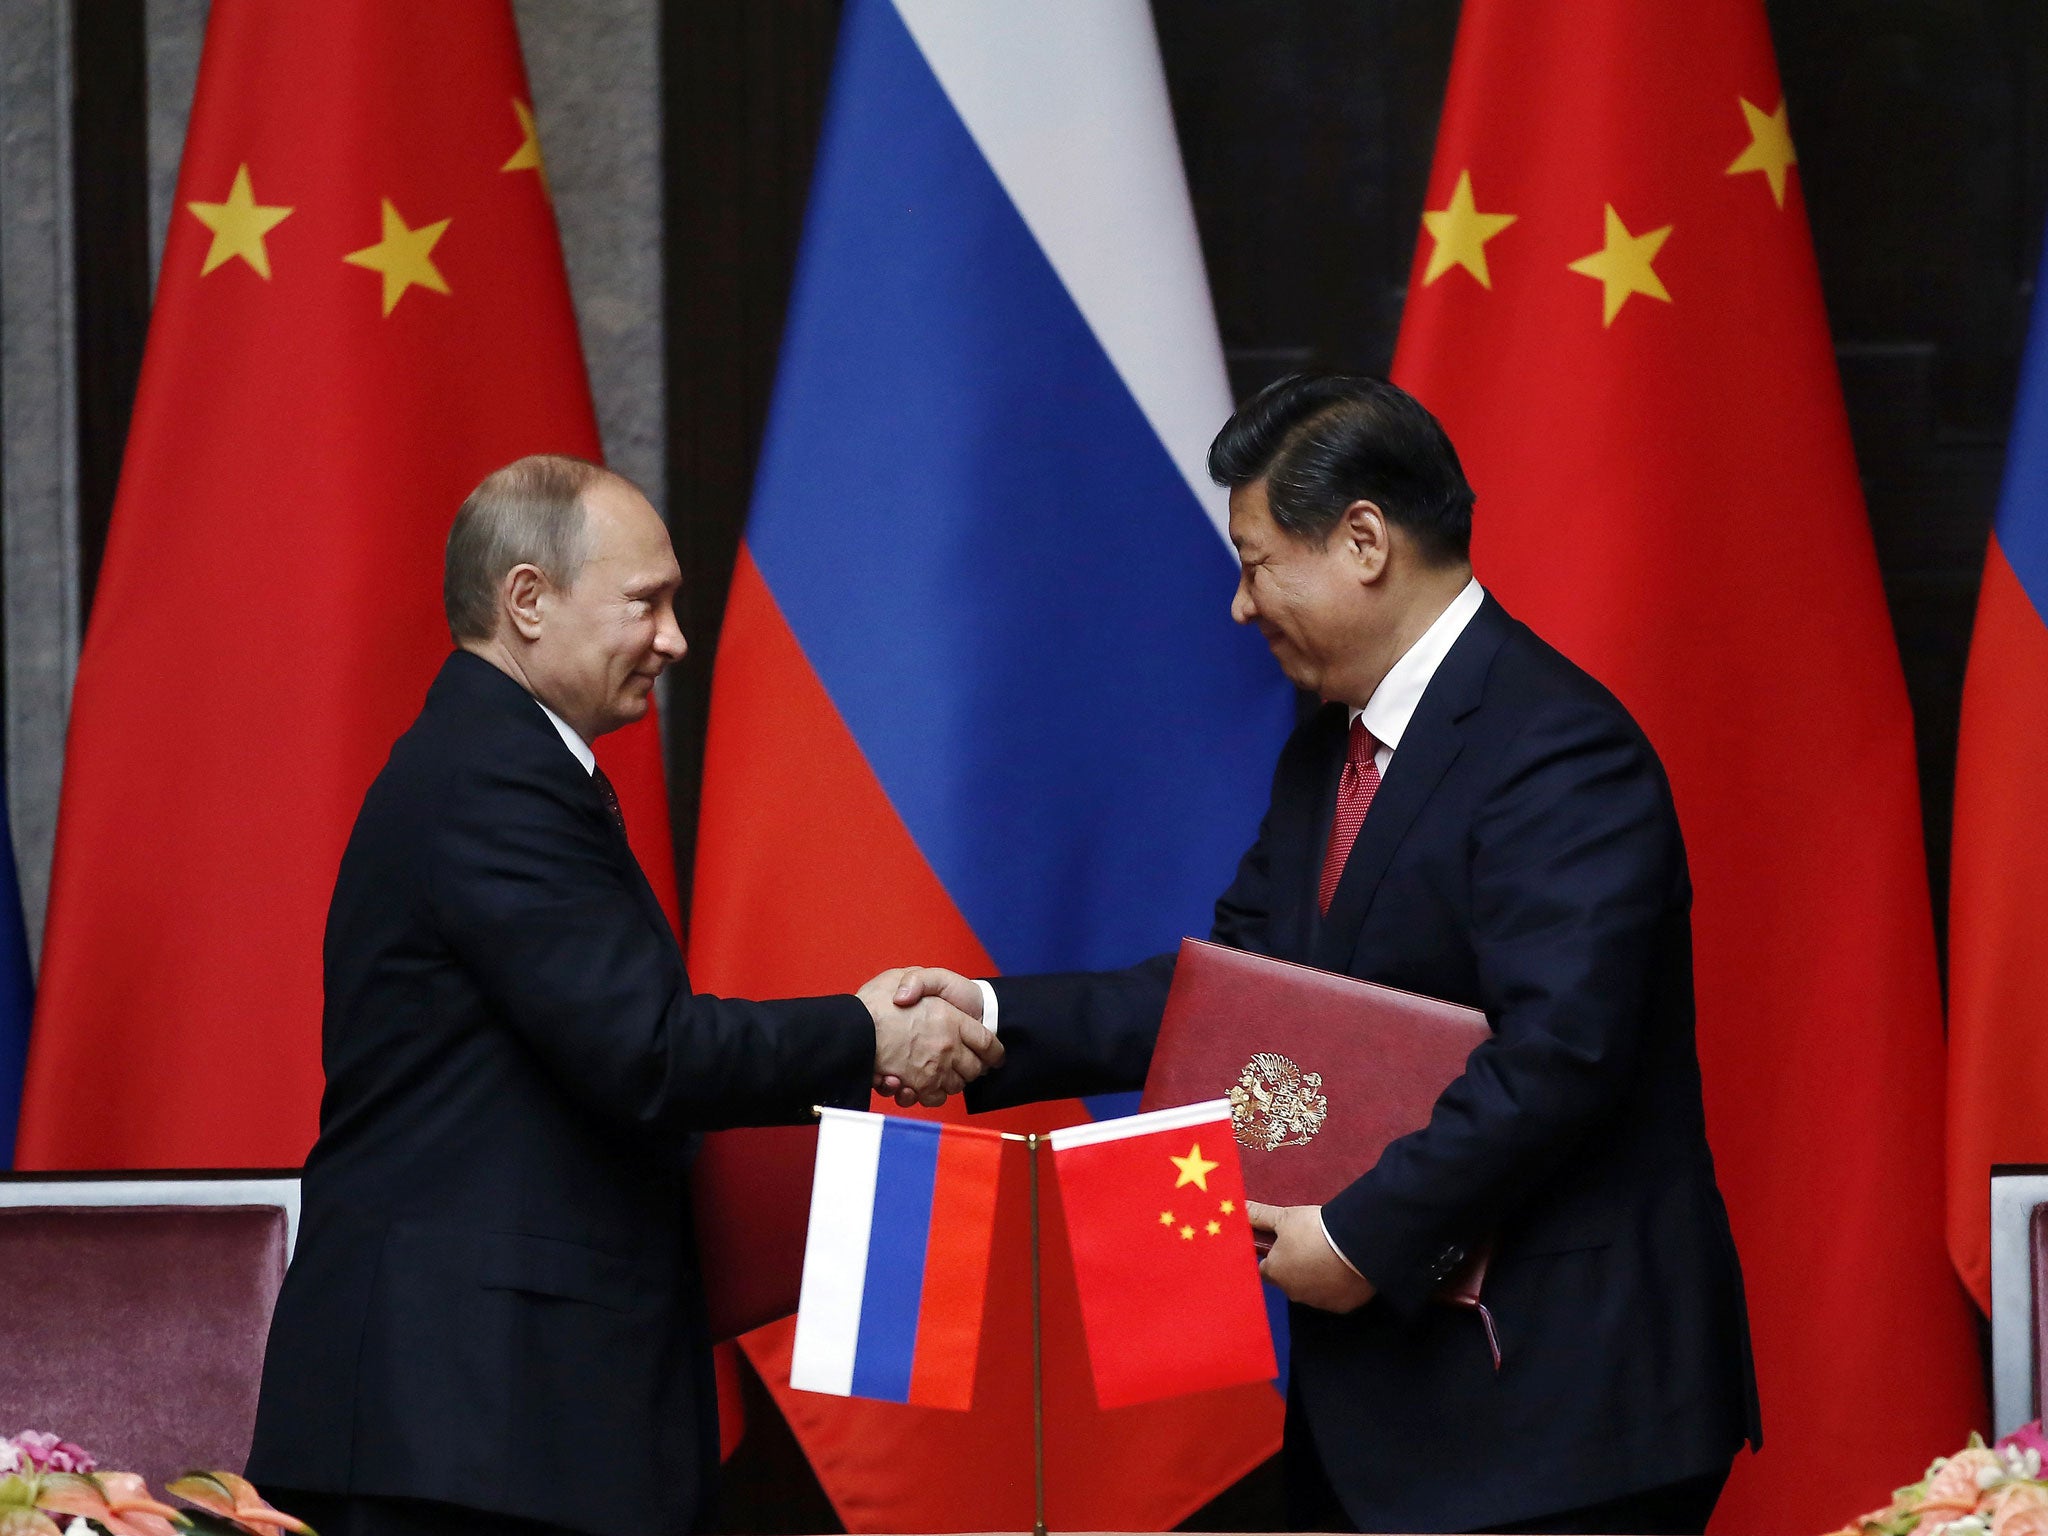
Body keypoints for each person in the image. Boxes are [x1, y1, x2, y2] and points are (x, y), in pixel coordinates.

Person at [889, 374, 1761, 1534]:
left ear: (1362, 541)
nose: (1240, 608)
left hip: (1558, 1409)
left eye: (1254, 563)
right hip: (1391, 1404)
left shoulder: (1556, 748)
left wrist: (1356, 1236)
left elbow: (1560, 1057)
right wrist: (990, 1019)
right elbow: (1230, 1001)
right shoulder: (1326, 752)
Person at [247, 455, 998, 1536]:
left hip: (499, 1417)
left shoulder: (507, 763)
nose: (674, 639)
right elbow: (644, 1050)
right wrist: (867, 1032)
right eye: (645, 602)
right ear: (526, 602)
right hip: (469, 1423)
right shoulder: (491, 775)